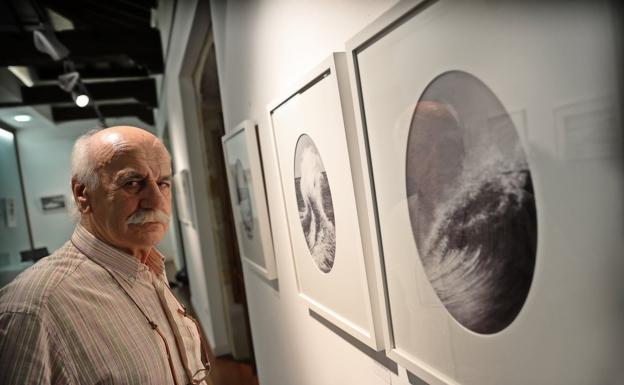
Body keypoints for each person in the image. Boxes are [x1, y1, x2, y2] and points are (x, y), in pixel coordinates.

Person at [0, 126, 210, 385]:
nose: (156, 200)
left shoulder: (148, 267)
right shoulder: (34, 308)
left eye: (163, 183)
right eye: (132, 184)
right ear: (82, 194)